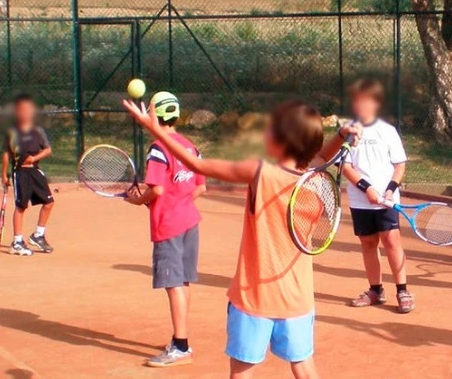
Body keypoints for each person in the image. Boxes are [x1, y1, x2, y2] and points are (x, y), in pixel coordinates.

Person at [122, 97, 361, 379]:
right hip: (297, 299)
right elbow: (320, 157)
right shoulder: (315, 180)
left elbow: (199, 166)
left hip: (253, 298)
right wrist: (341, 135)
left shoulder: (260, 172)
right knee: (305, 368)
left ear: (280, 141)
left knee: (242, 372)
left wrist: (157, 131)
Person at [124, 92, 207, 367]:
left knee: (173, 284)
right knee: (181, 282)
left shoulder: (159, 148)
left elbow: (156, 189)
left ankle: (181, 346)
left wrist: (137, 200)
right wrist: (178, 201)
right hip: (190, 222)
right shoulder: (191, 147)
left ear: (155, 115)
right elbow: (200, 187)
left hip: (169, 225)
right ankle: (180, 338)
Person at [340, 79, 412, 313]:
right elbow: (346, 167)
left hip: (387, 201)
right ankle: (376, 290)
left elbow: (399, 166)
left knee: (391, 241)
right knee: (368, 243)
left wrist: (390, 190)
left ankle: (403, 290)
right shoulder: (350, 130)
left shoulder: (387, 131)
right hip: (361, 200)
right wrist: (366, 188)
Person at [1, 94, 54, 256]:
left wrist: (34, 158)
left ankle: (38, 235)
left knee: (49, 202)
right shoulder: (11, 132)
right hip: (20, 173)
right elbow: (6, 154)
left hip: (35, 171)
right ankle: (17, 242)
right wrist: (4, 175)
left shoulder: (38, 130)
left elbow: (47, 150)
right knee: (21, 207)